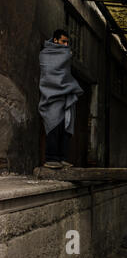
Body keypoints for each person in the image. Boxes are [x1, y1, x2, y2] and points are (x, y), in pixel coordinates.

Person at [39, 29, 84, 169]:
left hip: (65, 96)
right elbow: (50, 74)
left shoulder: (65, 54)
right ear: (55, 40)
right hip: (51, 96)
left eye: (67, 42)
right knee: (54, 126)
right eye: (63, 41)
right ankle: (51, 158)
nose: (65, 45)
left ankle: (62, 158)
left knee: (66, 127)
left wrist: (67, 86)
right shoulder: (45, 54)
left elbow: (64, 75)